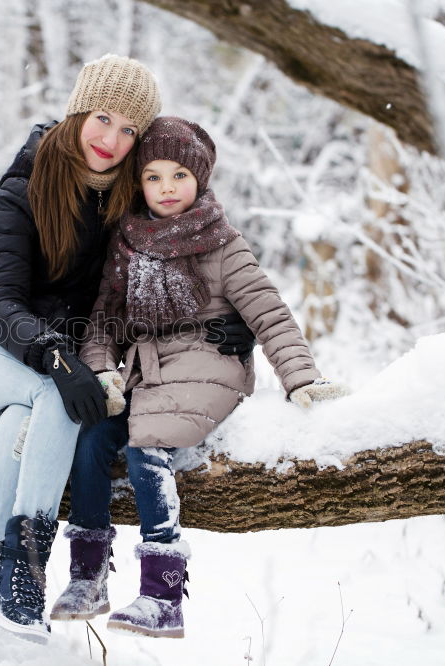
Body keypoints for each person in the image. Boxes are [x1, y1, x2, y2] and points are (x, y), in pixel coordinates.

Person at [49, 117, 349, 639]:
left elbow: (269, 313)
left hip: (210, 366)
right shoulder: (128, 245)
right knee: (94, 437)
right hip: (147, 372)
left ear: (201, 178)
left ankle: (163, 594)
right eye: (154, 177)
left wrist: (299, 378)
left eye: (180, 175)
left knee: (148, 444)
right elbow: (103, 323)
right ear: (139, 183)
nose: (167, 189)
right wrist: (102, 374)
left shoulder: (222, 243)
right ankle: (87, 574)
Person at [0, 55, 162, 660]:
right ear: (79, 110)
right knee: (47, 395)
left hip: (50, 354)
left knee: (23, 421)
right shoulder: (28, 180)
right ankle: (26, 575)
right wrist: (59, 361)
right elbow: (4, 299)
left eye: (129, 130)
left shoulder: (127, 202)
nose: (111, 140)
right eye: (103, 118)